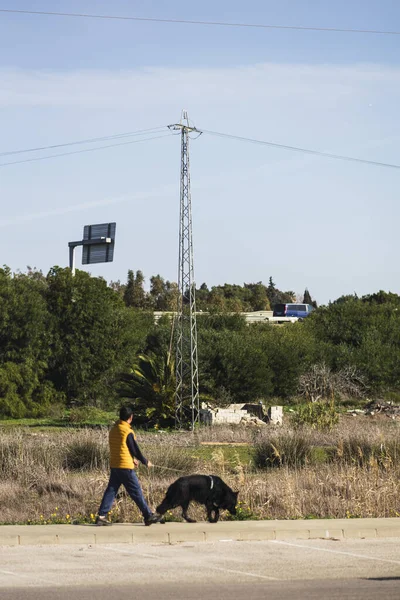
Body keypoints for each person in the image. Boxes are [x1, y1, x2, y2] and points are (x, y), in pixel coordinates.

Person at [96, 405, 161, 526]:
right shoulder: (127, 431)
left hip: (115, 465)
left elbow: (122, 448)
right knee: (136, 491)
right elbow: (134, 449)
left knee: (111, 490)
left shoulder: (114, 429)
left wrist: (133, 459)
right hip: (125, 467)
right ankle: (148, 516)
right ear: (130, 418)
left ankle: (101, 516)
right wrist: (145, 461)